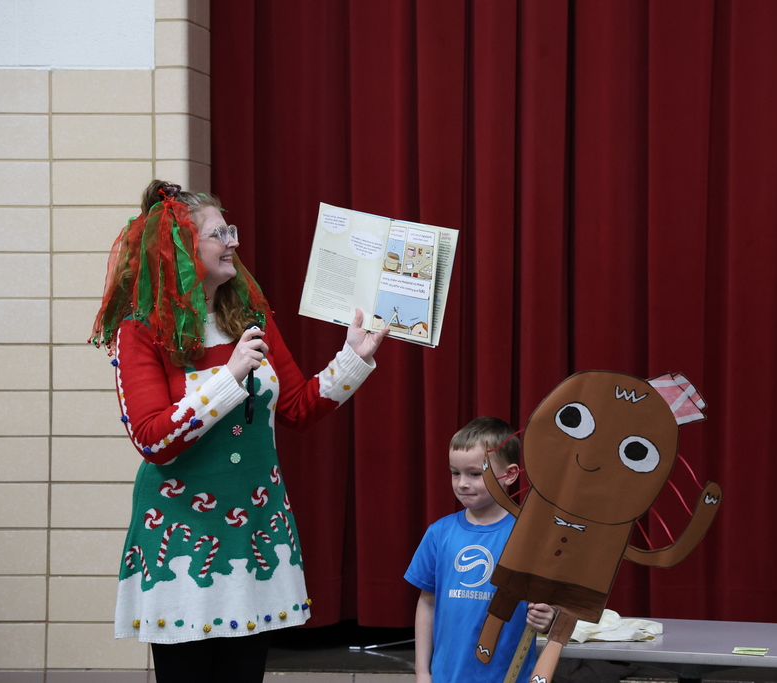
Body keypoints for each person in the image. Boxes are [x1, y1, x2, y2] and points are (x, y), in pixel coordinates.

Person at [90, 180, 387, 682]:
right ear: (180, 249)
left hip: (253, 529)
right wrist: (229, 377)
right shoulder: (140, 330)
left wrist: (352, 359)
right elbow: (153, 440)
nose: (233, 242)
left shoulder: (247, 317)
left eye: (231, 230)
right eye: (218, 233)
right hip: (182, 538)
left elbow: (296, 408)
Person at [404, 416, 556, 683]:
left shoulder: (530, 535)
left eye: (475, 474)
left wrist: (549, 618)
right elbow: (426, 603)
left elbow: (554, 603)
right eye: (455, 473)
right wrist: (422, 672)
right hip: (446, 676)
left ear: (509, 474)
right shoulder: (439, 533)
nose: (462, 483)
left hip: (508, 676)